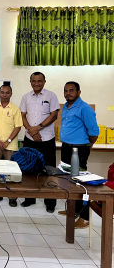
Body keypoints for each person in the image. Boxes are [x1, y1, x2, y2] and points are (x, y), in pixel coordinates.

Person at [58, 81, 99, 229]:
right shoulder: (67, 107)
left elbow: (94, 131)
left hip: (79, 148)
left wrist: (87, 146)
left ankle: (85, 217)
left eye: (71, 90)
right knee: (68, 180)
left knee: (80, 182)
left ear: (79, 92)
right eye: (66, 91)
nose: (68, 93)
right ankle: (74, 210)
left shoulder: (85, 108)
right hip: (66, 147)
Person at [19, 71, 60, 213]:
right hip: (30, 138)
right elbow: (22, 115)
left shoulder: (51, 95)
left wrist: (38, 128)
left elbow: (54, 115)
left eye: (39, 81)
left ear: (44, 81)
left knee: (49, 171)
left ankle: (50, 201)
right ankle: (30, 198)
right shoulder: (25, 97)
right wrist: (31, 131)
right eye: (34, 81)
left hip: (47, 138)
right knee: (29, 169)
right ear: (30, 82)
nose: (36, 83)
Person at [0, 85, 23, 206]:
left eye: (7, 92)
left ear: (11, 94)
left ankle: (12, 198)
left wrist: (8, 141)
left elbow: (18, 126)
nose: (4, 94)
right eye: (2, 92)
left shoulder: (15, 109)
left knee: (11, 172)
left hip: (11, 147)